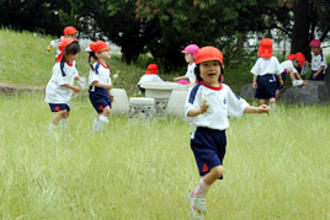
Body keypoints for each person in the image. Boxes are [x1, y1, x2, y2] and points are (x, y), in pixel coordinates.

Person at [185, 46, 269, 219]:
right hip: (202, 137)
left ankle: (198, 199)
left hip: (220, 137)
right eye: (206, 65)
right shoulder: (197, 90)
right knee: (217, 170)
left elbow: (239, 105)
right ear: (198, 70)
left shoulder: (225, 89)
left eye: (215, 64)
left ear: (221, 68)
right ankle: (197, 195)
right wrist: (199, 111)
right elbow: (187, 110)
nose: (211, 69)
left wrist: (258, 110)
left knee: (212, 173)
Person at [45, 38, 83, 132]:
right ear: (66, 53)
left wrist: (77, 77)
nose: (75, 56)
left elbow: (72, 73)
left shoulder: (72, 63)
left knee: (67, 113)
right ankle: (51, 131)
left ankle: (64, 132)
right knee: (62, 111)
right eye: (74, 54)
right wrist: (73, 87)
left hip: (64, 93)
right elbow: (61, 81)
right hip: (55, 93)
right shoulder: (59, 66)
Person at [86, 41, 113, 132]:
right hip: (96, 92)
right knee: (107, 110)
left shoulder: (107, 67)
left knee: (101, 112)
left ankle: (97, 131)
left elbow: (108, 82)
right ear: (98, 54)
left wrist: (110, 94)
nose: (109, 52)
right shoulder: (96, 66)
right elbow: (94, 82)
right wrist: (106, 86)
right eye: (106, 51)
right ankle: (96, 129)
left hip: (104, 92)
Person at [251, 38, 284, 106]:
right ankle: (274, 110)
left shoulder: (259, 60)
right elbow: (279, 71)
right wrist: (281, 80)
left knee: (261, 97)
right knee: (271, 96)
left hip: (261, 80)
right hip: (271, 79)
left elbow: (255, 72)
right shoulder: (274, 59)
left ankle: (262, 110)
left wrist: (254, 81)